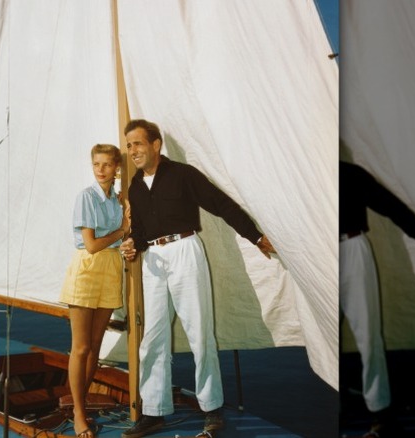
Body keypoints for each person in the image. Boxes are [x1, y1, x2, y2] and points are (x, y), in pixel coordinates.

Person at [118, 119, 275, 438]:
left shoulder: (182, 175)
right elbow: (141, 233)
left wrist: (255, 236)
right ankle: (154, 411)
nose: (132, 150)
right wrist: (133, 244)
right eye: (129, 145)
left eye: (138, 143)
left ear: (156, 144)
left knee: (199, 333)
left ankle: (212, 408)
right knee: (152, 338)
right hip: (154, 261)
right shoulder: (135, 186)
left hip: (185, 251)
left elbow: (221, 204)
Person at [339, 160, 415, 438]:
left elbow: (388, 203)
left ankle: (381, 413)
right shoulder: (303, 170)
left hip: (352, 248)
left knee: (368, 335)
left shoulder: (349, 173)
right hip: (317, 254)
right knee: (323, 334)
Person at [59, 144, 130, 438]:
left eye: (107, 164)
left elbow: (121, 237)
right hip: (87, 269)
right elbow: (90, 244)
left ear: (116, 169)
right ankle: (78, 413)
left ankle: (83, 401)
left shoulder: (118, 201)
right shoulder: (86, 197)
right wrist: (121, 231)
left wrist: (126, 225)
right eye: (96, 164)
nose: (100, 170)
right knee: (81, 347)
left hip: (110, 268)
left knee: (96, 345)